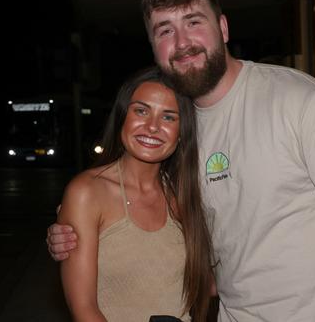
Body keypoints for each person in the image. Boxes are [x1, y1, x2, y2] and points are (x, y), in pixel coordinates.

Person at [48, 0, 315, 321]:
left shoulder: (297, 100)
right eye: (165, 30)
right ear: (154, 47)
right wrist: (75, 233)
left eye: (193, 21)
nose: (182, 42)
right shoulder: (179, 132)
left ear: (224, 28)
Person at [57, 68, 213, 322]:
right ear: (122, 118)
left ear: (182, 131)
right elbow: (84, 310)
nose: (152, 127)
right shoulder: (87, 192)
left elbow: (212, 283)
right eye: (141, 111)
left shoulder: (186, 194)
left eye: (169, 117)